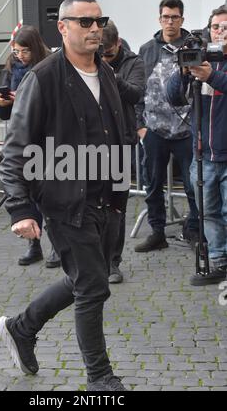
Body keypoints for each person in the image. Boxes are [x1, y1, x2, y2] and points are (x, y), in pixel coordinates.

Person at [0, 0, 128, 391]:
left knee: (85, 278)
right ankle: (100, 378)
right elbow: (15, 149)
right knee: (92, 287)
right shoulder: (44, 77)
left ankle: (22, 328)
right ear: (63, 27)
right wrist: (21, 209)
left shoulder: (105, 72)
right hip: (65, 201)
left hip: (108, 198)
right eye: (84, 22)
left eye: (98, 21)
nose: (94, 29)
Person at [167, 5, 227, 285]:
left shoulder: (213, 70)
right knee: (208, 212)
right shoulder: (202, 60)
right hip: (203, 155)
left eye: (226, 27)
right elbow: (175, 98)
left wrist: (211, 77)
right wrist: (183, 72)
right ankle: (219, 262)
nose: (221, 32)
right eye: (216, 27)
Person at [134, 0, 199, 253]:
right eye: (165, 17)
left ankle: (195, 231)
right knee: (153, 184)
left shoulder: (193, 47)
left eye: (174, 17)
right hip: (154, 130)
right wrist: (140, 125)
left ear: (182, 19)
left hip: (187, 131)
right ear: (159, 19)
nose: (169, 21)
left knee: (194, 185)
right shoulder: (147, 49)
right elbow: (137, 90)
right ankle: (157, 232)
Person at [0, 25, 61, 268]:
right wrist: (2, 101)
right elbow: (2, 114)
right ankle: (34, 244)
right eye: (16, 51)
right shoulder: (11, 67)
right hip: (22, 137)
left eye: (24, 51)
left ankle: (56, 245)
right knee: (29, 193)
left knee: (50, 193)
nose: (20, 56)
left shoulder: (48, 66)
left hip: (47, 140)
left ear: (34, 48)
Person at [102, 20, 145, 283]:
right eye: (100, 52)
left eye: (107, 52)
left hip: (120, 142)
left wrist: (109, 74)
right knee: (92, 202)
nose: (103, 56)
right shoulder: (87, 60)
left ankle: (112, 263)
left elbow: (136, 94)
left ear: (118, 43)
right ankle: (91, 259)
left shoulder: (133, 62)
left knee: (116, 205)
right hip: (91, 143)